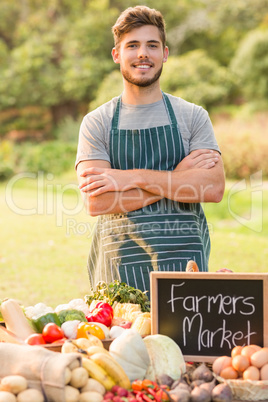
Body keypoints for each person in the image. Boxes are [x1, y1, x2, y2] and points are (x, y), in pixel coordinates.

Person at [75, 5, 225, 298]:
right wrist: (177, 177)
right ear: (117, 54)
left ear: (164, 54)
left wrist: (130, 178)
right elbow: (98, 203)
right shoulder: (97, 122)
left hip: (185, 263)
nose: (143, 53)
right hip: (119, 270)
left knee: (182, 345)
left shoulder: (193, 116)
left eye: (151, 45)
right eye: (133, 45)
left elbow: (213, 187)